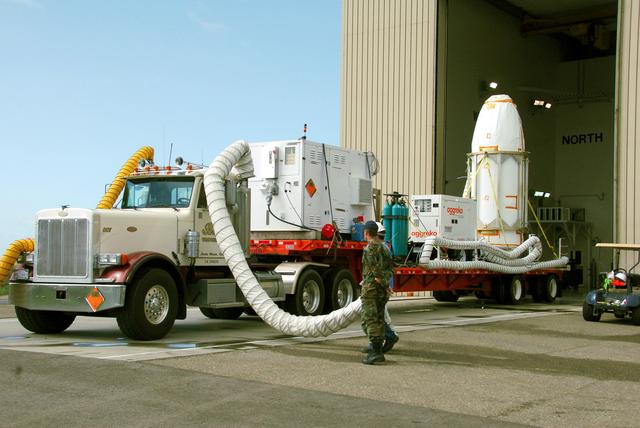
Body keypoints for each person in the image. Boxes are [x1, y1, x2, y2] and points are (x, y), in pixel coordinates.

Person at [361, 223, 399, 354]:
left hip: (372, 289)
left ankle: (376, 350)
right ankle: (377, 345)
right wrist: (387, 285)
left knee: (370, 320)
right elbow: (391, 269)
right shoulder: (385, 248)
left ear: (366, 232)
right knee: (378, 318)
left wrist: (385, 285)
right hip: (382, 289)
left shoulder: (369, 249)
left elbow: (376, 274)